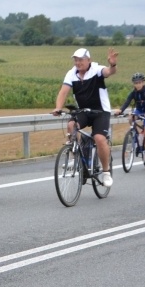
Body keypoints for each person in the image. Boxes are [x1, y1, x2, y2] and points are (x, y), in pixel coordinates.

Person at [52, 47, 119, 187]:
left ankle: (106, 172)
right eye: (75, 60)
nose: (78, 62)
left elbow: (108, 72)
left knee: (99, 138)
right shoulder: (71, 73)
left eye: (81, 59)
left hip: (101, 111)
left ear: (89, 60)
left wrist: (112, 65)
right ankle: (75, 158)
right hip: (83, 111)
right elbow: (63, 92)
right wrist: (58, 107)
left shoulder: (96, 69)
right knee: (71, 125)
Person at [113, 72, 145, 163]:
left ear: (143, 82)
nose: (138, 84)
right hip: (139, 110)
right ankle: (135, 135)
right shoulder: (133, 93)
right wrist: (120, 110)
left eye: (139, 82)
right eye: (136, 83)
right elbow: (127, 101)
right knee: (130, 118)